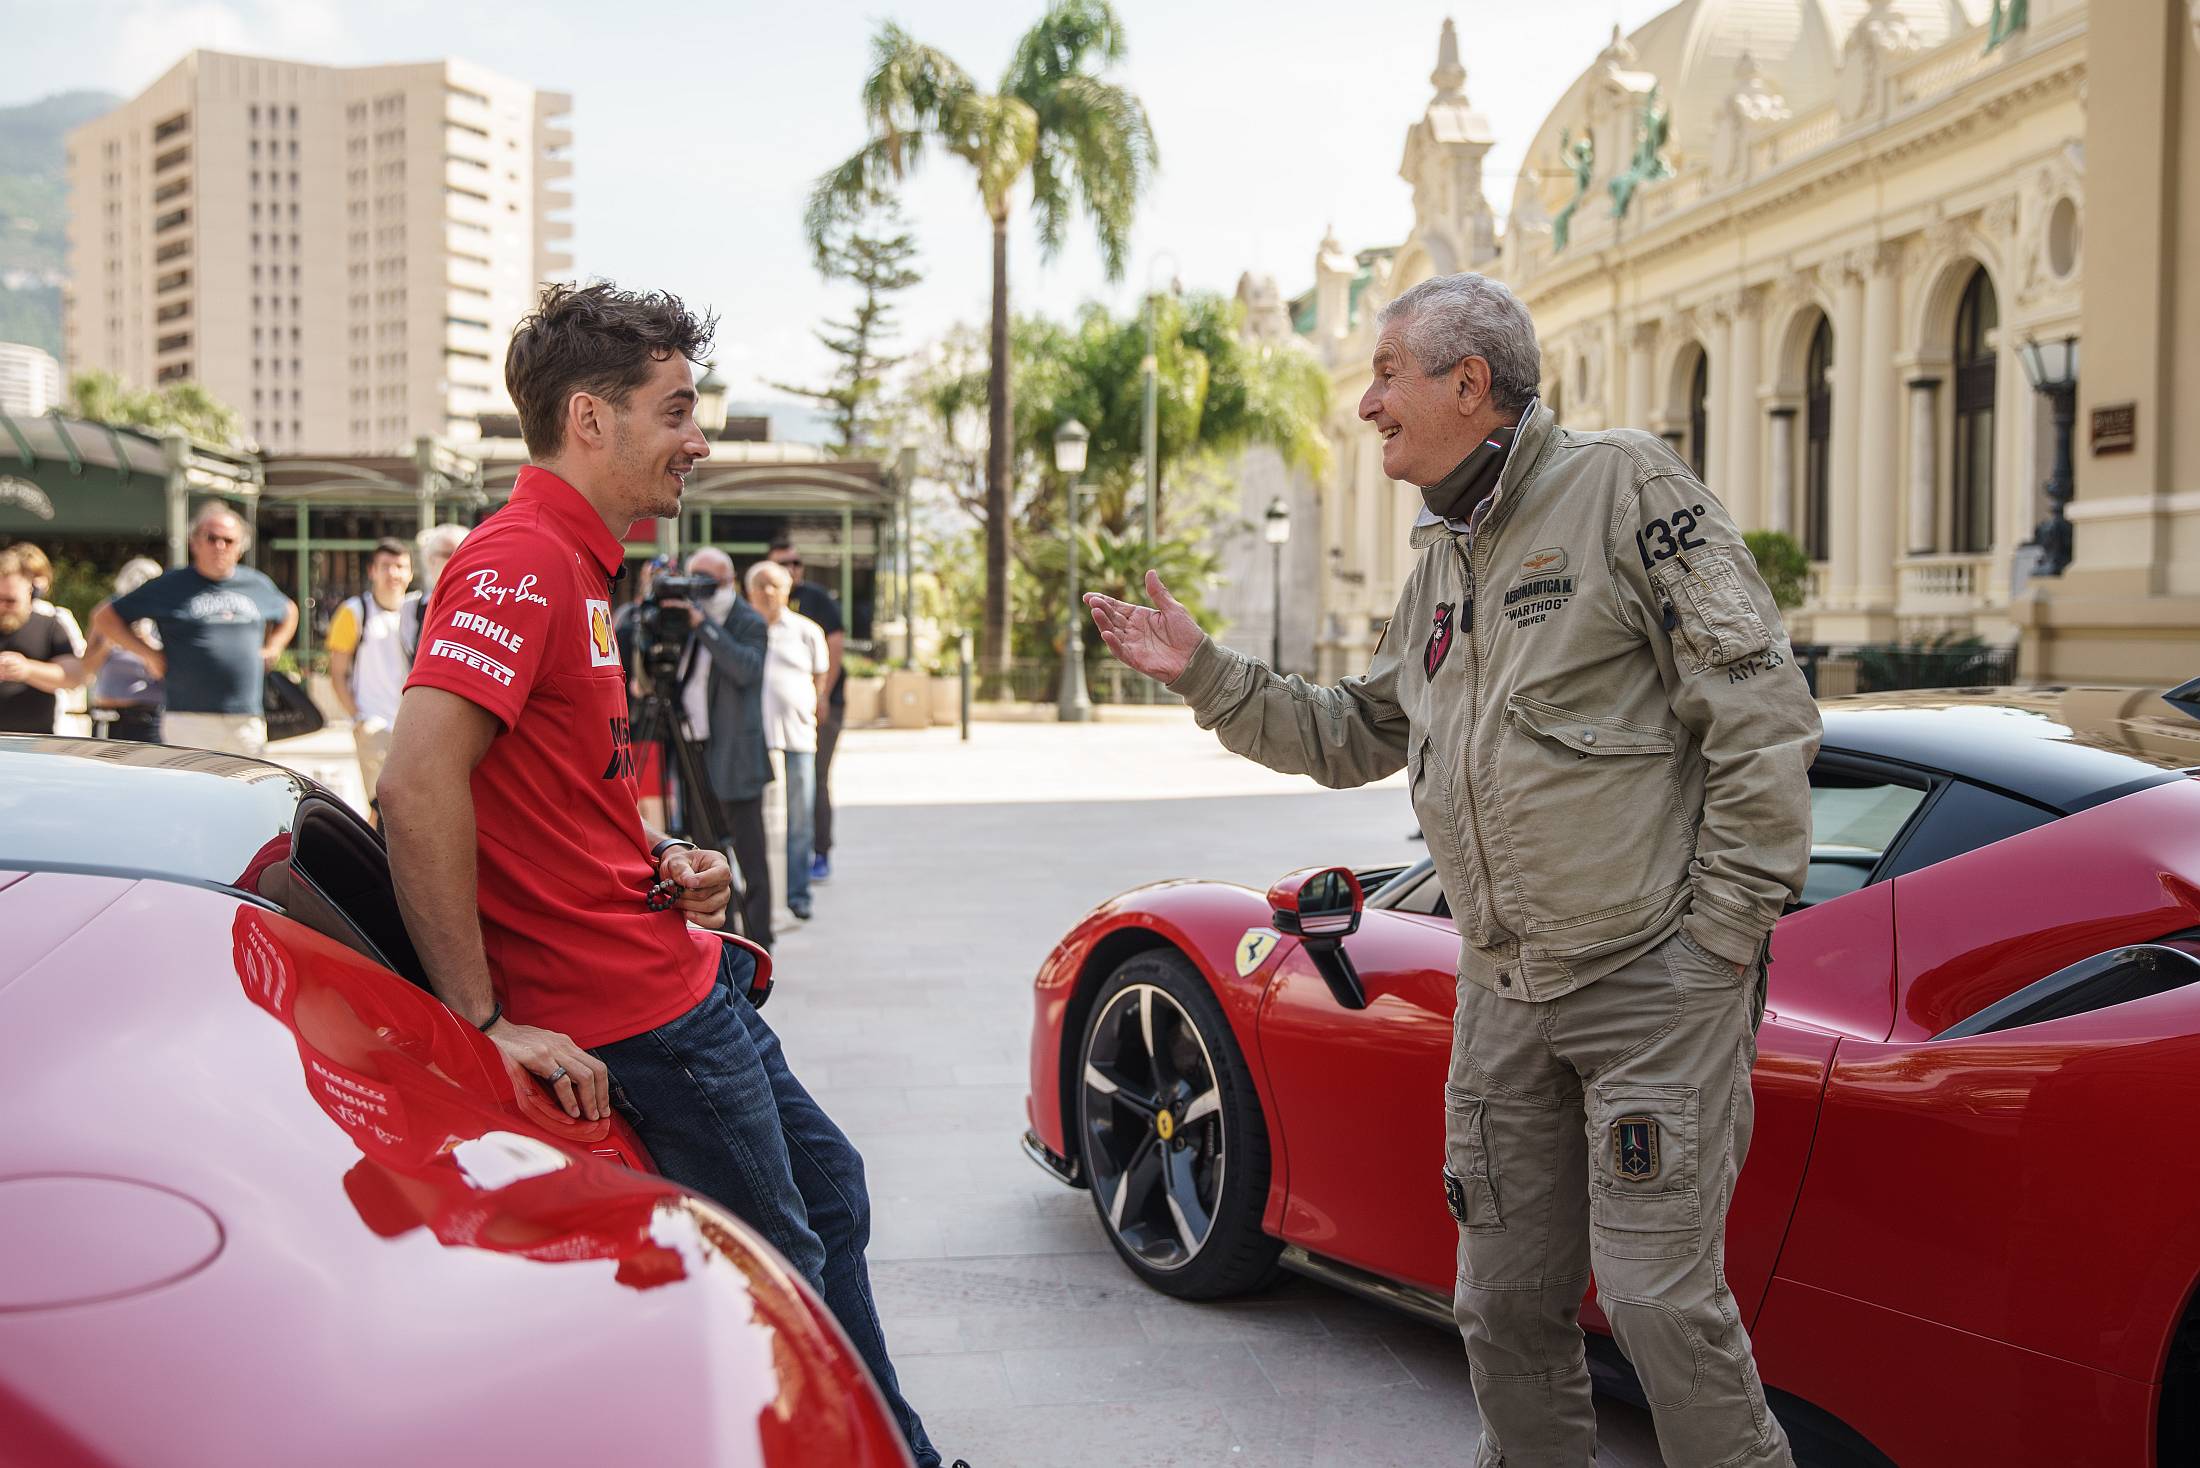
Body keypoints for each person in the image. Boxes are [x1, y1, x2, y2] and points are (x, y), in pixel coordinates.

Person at [1085, 271, 1818, 1468]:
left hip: (1650, 982)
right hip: (1504, 989)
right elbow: (1350, 730)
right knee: (1499, 1302)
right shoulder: (1442, 559)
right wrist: (1204, 671)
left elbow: (1762, 715)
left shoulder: (1624, 488)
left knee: (1659, 1304)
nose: (1367, 402)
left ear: (1467, 383)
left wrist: (1719, 941)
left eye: (1387, 374)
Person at [375, 281, 951, 1468]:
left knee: (830, 1195)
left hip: (674, 977)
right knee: (780, 1260)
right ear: (591, 420)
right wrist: (484, 1019)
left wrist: (660, 858)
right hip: (641, 1016)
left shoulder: (578, 569)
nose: (698, 439)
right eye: (676, 409)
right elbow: (416, 784)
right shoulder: (518, 562)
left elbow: (548, 790)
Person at [91, 503, 298, 758]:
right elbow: (105, 617)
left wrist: (274, 647)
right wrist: (148, 654)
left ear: (240, 547)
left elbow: (289, 611)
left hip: (246, 717)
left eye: (228, 540)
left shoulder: (256, 584)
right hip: (188, 717)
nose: (219, 546)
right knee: (190, 794)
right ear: (195, 543)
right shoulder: (171, 585)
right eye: (211, 538)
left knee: (244, 793)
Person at [676, 546, 775, 949]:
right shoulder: (681, 620)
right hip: (693, 752)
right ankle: (728, 940)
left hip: (736, 757)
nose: (699, 590)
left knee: (750, 858)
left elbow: (745, 670)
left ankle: (761, 939)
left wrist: (705, 626)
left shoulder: (747, 621)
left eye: (708, 582)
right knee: (709, 853)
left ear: (728, 582)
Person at [746, 558, 828, 922]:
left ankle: (798, 893)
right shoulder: (742, 629)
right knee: (756, 822)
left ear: (787, 590)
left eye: (773, 584)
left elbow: (819, 680)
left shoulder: (807, 631)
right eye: (759, 585)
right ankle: (762, 894)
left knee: (799, 821)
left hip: (796, 736)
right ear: (748, 592)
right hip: (753, 740)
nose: (766, 592)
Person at [769, 536, 844, 883]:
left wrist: (822, 697)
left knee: (815, 779)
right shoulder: (762, 602)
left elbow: (834, 647)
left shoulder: (817, 599)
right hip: (776, 716)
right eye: (784, 564)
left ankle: (821, 851)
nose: (792, 569)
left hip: (820, 708)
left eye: (796, 563)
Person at [325, 537, 415, 819]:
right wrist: (358, 717)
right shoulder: (354, 611)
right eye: (386, 566)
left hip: (413, 725)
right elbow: (337, 673)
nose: (394, 573)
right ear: (372, 571)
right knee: (380, 807)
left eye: (400, 566)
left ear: (410, 573)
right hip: (374, 725)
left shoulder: (418, 611)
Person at [81, 556, 166, 742]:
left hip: (147, 718)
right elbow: (85, 669)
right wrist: (110, 640)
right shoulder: (106, 614)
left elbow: (164, 672)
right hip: (107, 717)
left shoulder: (162, 617)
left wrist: (143, 642)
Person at [0, 549, 85, 734]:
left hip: (34, 745)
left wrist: (26, 669)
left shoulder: (50, 626)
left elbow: (73, 676)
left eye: (10, 601)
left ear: (29, 591)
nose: (2, 607)